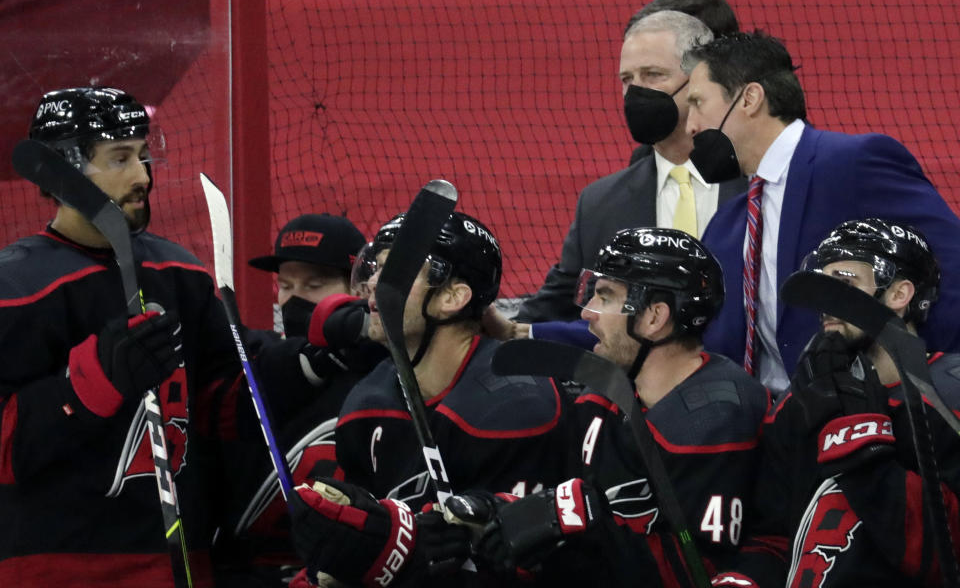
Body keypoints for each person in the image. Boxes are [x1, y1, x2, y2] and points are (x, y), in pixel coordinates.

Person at [0, 87, 240, 586]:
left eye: (143, 154)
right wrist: (87, 387)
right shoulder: (15, 288)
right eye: (120, 158)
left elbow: (222, 405)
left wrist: (298, 367)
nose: (143, 177)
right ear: (60, 171)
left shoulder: (180, 272)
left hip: (180, 566)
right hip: (57, 569)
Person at [463, 228, 771, 585]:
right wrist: (502, 511)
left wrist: (578, 533)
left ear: (654, 317)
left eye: (605, 297)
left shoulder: (719, 416)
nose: (588, 315)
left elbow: (697, 568)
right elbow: (560, 498)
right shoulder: (602, 397)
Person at [287, 210, 573, 587]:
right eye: (375, 269)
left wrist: (396, 553)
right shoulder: (367, 402)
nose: (372, 283)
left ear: (452, 296)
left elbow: (516, 567)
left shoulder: (517, 403)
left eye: (395, 270)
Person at [686, 31, 960, 394]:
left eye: (697, 102)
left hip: (877, 422)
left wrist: (919, 385)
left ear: (749, 99)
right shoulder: (728, 223)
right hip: (774, 430)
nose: (689, 125)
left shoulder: (852, 162)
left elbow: (953, 268)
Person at [712, 218, 960, 587]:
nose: (825, 301)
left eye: (844, 284)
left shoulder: (950, 396)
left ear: (900, 294)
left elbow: (947, 553)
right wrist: (744, 579)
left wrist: (854, 434)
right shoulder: (800, 402)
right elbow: (777, 534)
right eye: (824, 285)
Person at [516, 0, 746, 325]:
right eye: (627, 79)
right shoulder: (600, 203)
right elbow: (555, 312)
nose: (635, 92)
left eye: (653, 75)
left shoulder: (765, 180)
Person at [213, 214, 386, 587]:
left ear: (358, 289)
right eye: (286, 285)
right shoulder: (256, 360)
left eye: (314, 284)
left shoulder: (388, 373)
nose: (293, 300)